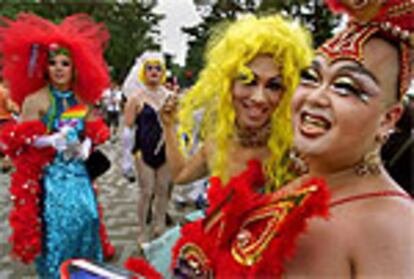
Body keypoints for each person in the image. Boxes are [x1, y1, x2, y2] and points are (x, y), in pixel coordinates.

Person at [131, 14, 314, 277]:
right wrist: (169, 126)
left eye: (274, 85)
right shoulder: (218, 141)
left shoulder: (293, 149)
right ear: (228, 83)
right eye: (248, 80)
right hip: (207, 254)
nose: (259, 97)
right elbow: (181, 176)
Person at [0, 13, 112, 278]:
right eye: (53, 63)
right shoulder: (35, 100)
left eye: (65, 63)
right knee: (59, 228)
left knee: (89, 220)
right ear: (44, 67)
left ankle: (84, 272)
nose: (59, 68)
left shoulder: (82, 100)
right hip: (49, 176)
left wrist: (86, 143)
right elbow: (19, 142)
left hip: (79, 174)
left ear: (76, 68)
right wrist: (47, 140)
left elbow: (96, 130)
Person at [123, 51, 174, 246]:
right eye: (150, 68)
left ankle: (159, 226)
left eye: (158, 68)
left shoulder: (170, 96)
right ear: (144, 71)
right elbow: (127, 130)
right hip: (143, 150)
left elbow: (177, 124)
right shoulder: (135, 98)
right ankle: (142, 230)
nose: (154, 72)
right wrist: (126, 161)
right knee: (147, 191)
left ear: (163, 72)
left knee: (163, 190)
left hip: (165, 151)